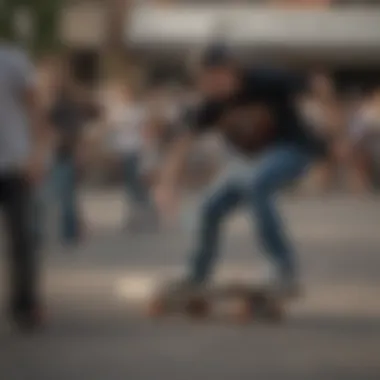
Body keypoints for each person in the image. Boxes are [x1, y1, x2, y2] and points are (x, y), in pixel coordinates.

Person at [155, 46, 327, 296]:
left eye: (214, 78)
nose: (210, 86)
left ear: (231, 71)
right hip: (248, 162)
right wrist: (167, 186)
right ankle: (196, 274)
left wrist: (332, 120)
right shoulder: (210, 105)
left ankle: (282, 269)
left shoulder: (265, 80)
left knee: (257, 184)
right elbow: (182, 143)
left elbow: (318, 84)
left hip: (291, 150)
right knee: (208, 208)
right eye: (204, 81)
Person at [0, 43, 49, 330]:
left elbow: (36, 109)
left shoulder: (12, 61)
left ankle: (25, 305)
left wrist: (38, 154)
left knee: (22, 240)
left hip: (14, 164)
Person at [106, 83, 157, 230]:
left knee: (138, 185)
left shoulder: (137, 111)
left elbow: (146, 131)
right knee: (129, 186)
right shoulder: (117, 111)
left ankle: (147, 214)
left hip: (135, 150)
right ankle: (134, 216)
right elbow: (111, 132)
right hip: (123, 151)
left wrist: (147, 151)